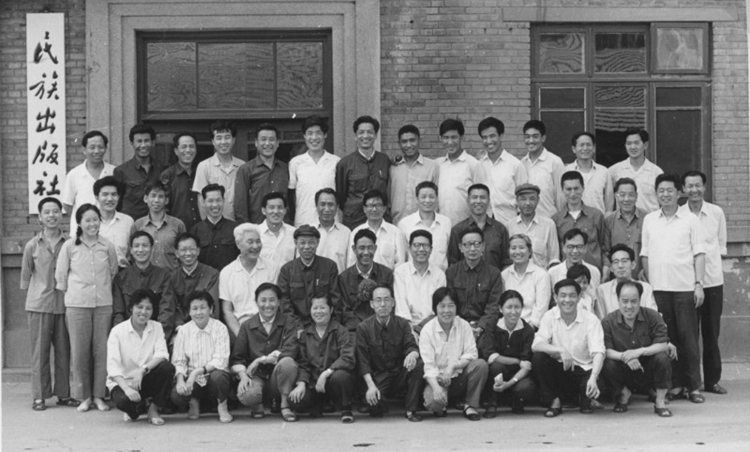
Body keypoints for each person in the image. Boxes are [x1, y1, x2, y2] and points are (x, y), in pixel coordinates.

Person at [642, 173, 706, 403]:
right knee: (668, 340)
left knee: (689, 339)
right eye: (661, 190)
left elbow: (699, 254)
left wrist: (698, 285)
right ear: (656, 194)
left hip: (684, 288)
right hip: (659, 290)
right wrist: (651, 284)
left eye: (670, 190)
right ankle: (676, 385)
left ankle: (694, 387)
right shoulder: (650, 220)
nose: (665, 194)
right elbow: (645, 255)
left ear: (679, 193)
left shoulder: (690, 220)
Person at [55, 204, 118, 412]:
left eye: (95, 219)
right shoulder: (69, 246)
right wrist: (75, 295)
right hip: (77, 305)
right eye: (87, 220)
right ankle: (83, 396)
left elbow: (113, 273)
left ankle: (99, 395)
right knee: (79, 352)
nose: (92, 224)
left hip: (103, 305)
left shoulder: (107, 246)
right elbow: (61, 276)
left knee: (102, 351)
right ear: (79, 223)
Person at [21, 197, 74, 411]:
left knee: (64, 352)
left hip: (64, 303)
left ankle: (63, 394)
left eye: (55, 211)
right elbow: (26, 277)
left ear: (61, 215)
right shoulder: (32, 245)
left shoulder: (70, 243)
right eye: (47, 212)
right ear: (40, 218)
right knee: (39, 352)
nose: (51, 215)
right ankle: (39, 396)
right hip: (39, 304)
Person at [680, 170, 728, 395]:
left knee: (711, 333)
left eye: (698, 185)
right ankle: (689, 382)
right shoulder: (679, 215)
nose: (694, 190)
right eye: (689, 186)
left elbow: (721, 246)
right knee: (688, 335)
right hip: (686, 282)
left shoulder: (716, 213)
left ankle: (712, 381)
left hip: (712, 281)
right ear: (683, 189)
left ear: (705, 187)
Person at [532, 279, 605, 417]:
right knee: (538, 358)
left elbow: (598, 352)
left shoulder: (591, 319)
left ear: (579, 297)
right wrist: (560, 350)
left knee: (586, 406)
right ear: (555, 297)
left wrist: (594, 377)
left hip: (584, 370)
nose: (567, 300)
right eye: (563, 295)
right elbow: (536, 344)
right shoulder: (549, 316)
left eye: (572, 295)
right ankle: (555, 403)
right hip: (561, 369)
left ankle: (582, 399)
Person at [601, 281, 673, 417]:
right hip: (623, 371)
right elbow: (605, 350)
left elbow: (663, 344)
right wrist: (625, 357)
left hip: (646, 370)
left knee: (662, 357)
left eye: (634, 301)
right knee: (606, 362)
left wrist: (638, 352)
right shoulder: (608, 321)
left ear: (640, 300)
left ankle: (660, 401)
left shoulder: (652, 316)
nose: (629, 306)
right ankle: (624, 394)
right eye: (625, 301)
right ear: (618, 300)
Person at [231, 283, 299, 422]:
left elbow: (290, 349)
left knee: (288, 362)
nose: (267, 305)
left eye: (272, 300)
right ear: (256, 302)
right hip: (256, 376)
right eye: (263, 300)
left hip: (279, 376)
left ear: (279, 302)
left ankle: (285, 404)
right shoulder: (246, 325)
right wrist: (243, 376)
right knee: (247, 395)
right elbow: (237, 358)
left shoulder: (289, 322)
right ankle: (257, 403)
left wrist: (261, 359)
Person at [356, 285, 425, 421]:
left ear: (393, 303)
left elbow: (411, 345)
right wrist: (371, 386)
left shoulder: (402, 324)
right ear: (371, 304)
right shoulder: (363, 328)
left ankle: (411, 410)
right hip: (378, 378)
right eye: (378, 300)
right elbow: (362, 362)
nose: (382, 304)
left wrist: (412, 354)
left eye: (386, 299)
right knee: (374, 406)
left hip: (399, 374)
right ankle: (377, 401)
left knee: (418, 364)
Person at [107, 289, 175, 425]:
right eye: (139, 307)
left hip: (144, 379)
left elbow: (162, 354)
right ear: (131, 308)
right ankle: (136, 408)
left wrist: (142, 370)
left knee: (167, 368)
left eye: (148, 308)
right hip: (124, 383)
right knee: (124, 402)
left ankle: (153, 410)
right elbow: (113, 367)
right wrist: (127, 389)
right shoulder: (117, 331)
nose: (143, 312)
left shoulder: (156, 327)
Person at [420, 287, 488, 420]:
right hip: (438, 379)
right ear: (435, 308)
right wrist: (436, 388)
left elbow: (472, 353)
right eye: (442, 306)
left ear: (457, 307)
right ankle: (443, 403)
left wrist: (453, 366)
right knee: (433, 403)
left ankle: (470, 405)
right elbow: (428, 366)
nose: (447, 310)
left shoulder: (464, 326)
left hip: (460, 377)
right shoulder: (427, 330)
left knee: (480, 365)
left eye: (451, 306)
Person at [289, 296, 356, 423]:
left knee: (342, 376)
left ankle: (346, 408)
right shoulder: (305, 335)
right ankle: (319, 404)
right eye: (315, 308)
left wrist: (326, 373)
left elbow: (347, 357)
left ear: (331, 310)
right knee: (294, 401)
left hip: (333, 381)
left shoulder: (341, 331)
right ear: (310, 311)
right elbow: (303, 363)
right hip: (314, 383)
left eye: (322, 308)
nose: (318, 311)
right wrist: (301, 384)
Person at [171, 291, 233, 423]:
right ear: (189, 311)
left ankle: (222, 406)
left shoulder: (220, 328)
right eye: (194, 308)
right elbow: (179, 361)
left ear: (211, 309)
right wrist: (180, 380)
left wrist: (197, 372)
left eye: (203, 307)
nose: (198, 312)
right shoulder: (183, 331)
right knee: (177, 394)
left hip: (213, 376)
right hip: (192, 380)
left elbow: (221, 360)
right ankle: (194, 402)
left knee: (219, 377)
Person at [477, 290, 537, 417]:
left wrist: (510, 382)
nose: (513, 312)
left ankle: (515, 398)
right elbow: (491, 356)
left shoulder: (527, 331)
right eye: (509, 307)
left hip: (517, 374)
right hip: (497, 370)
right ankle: (492, 403)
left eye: (517, 307)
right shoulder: (492, 324)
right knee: (497, 366)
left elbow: (526, 365)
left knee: (526, 387)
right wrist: (516, 361)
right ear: (500, 309)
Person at [219, 223, 280, 341]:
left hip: (269, 327)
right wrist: (241, 336)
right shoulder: (227, 273)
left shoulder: (272, 268)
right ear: (238, 244)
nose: (255, 246)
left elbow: (277, 303)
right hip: (241, 328)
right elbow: (227, 310)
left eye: (258, 241)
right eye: (250, 242)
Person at [112, 231, 176, 341]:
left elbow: (167, 311)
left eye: (145, 245)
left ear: (152, 249)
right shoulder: (121, 277)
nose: (140, 250)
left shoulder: (163, 276)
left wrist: (157, 338)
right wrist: (124, 338)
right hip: (128, 336)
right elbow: (118, 312)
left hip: (156, 336)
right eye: (136, 246)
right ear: (131, 250)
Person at [278, 225, 340, 329]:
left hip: (325, 326)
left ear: (317, 243)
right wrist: (297, 327)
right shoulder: (286, 270)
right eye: (302, 243)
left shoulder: (330, 267)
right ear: (295, 243)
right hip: (296, 327)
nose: (306, 247)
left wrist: (330, 327)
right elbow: (284, 304)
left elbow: (336, 300)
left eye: (311, 242)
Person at [336, 115, 391, 229]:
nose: (365, 136)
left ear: (376, 135)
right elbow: (341, 196)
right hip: (354, 221)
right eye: (361, 132)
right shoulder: (345, 163)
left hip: (380, 221)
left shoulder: (384, 160)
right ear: (355, 136)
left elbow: (388, 190)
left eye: (370, 132)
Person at [337, 229, 394, 333]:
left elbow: (390, 306)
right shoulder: (344, 278)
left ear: (375, 248)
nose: (366, 252)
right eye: (362, 248)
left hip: (382, 329)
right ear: (354, 249)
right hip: (354, 331)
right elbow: (345, 311)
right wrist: (363, 329)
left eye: (370, 248)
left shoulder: (387, 274)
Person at [446, 227, 503, 327]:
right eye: (467, 244)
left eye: (476, 244)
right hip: (457, 325)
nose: (472, 249)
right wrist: (462, 327)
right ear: (460, 247)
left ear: (483, 246)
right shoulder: (451, 272)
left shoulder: (494, 274)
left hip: (485, 327)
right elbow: (450, 304)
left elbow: (493, 308)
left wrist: (480, 327)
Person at [288, 116, 340, 226]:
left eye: (318, 133)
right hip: (303, 222)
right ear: (304, 136)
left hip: (330, 223)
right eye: (310, 133)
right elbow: (291, 196)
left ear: (325, 135)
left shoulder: (336, 162)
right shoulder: (295, 163)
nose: (314, 137)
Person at [476, 117, 528, 225]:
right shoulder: (478, 165)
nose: (488, 141)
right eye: (484, 137)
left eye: (492, 136)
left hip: (509, 222)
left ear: (501, 136)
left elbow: (523, 198)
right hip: (484, 223)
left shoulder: (515, 165)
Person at [234, 123, 290, 224]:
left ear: (277, 143)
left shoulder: (285, 168)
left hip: (282, 228)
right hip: (256, 228)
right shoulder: (246, 170)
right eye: (263, 139)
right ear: (256, 142)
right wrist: (248, 229)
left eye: (271, 139)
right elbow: (240, 205)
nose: (267, 143)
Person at [448, 183, 511, 271]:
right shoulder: (458, 230)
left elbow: (506, 262)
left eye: (482, 197)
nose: (478, 201)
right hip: (465, 279)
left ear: (489, 201)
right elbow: (453, 263)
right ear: (468, 201)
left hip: (494, 279)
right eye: (474, 197)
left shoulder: (500, 229)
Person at [551, 170, 605, 272]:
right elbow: (555, 251)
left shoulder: (596, 215)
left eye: (576, 188)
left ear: (583, 188)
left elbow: (604, 245)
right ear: (562, 190)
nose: (573, 193)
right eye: (568, 189)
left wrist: (606, 267)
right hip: (566, 273)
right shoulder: (556, 219)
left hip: (593, 272)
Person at [62, 130, 115, 233]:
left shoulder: (114, 172)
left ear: (106, 149)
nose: (97, 151)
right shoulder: (74, 174)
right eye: (92, 147)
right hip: (82, 233)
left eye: (100, 147)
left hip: (108, 231)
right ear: (84, 150)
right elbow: (67, 205)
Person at [394, 230, 447, 329]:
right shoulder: (400, 272)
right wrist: (410, 331)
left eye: (425, 245)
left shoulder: (439, 275)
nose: (421, 249)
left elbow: (439, 307)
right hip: (406, 327)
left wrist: (421, 329)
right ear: (409, 249)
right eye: (417, 245)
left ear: (431, 249)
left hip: (433, 326)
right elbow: (402, 308)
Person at [192, 121, 244, 221]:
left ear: (233, 140)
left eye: (227, 137)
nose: (223, 142)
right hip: (214, 224)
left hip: (239, 224)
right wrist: (208, 226)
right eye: (219, 138)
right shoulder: (204, 166)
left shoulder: (243, 166)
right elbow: (201, 201)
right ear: (213, 141)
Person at [130, 180, 186, 272]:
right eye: (153, 196)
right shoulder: (137, 225)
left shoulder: (178, 225)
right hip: (145, 277)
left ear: (166, 200)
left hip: (171, 276)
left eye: (161, 196)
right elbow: (133, 254)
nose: (156, 200)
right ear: (145, 198)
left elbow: (183, 252)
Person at [114, 124, 167, 220]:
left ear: (153, 142)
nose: (143, 145)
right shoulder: (121, 171)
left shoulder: (163, 169)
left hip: (157, 223)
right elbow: (117, 202)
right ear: (132, 143)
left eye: (146, 141)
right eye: (139, 141)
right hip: (131, 223)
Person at [389, 124, 439, 226]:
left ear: (420, 140)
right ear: (399, 144)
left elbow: (437, 198)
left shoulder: (432, 166)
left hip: (424, 224)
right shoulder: (393, 167)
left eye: (412, 140)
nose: (408, 145)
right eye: (404, 141)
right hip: (397, 223)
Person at [347, 189, 406, 270]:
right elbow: (351, 262)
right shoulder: (356, 232)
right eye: (370, 205)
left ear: (384, 208)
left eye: (378, 205)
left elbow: (400, 264)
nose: (374, 209)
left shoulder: (395, 232)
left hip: (388, 277)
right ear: (364, 209)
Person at [398, 181, 451, 271]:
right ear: (416, 199)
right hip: (413, 276)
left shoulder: (446, 222)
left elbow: (449, 253)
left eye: (431, 197)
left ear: (437, 198)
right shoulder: (405, 224)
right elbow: (402, 257)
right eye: (423, 197)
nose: (427, 200)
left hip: (441, 276)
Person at [608, 128, 664, 213]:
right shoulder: (614, 170)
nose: (633, 147)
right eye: (629, 143)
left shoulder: (656, 172)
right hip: (624, 220)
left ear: (645, 145)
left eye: (636, 143)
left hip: (649, 220)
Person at [436, 118, 480, 226]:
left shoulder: (473, 164)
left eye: (454, 137)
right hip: (441, 227)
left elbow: (482, 197)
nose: (450, 142)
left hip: (466, 228)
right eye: (446, 138)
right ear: (441, 139)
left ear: (462, 138)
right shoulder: (438, 165)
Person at [501, 234, 550, 329]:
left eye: (521, 247)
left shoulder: (541, 275)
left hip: (532, 328)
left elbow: (541, 306)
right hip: (507, 327)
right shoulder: (504, 275)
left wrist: (529, 329)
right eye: (513, 248)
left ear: (530, 251)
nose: (517, 252)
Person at [595, 244, 657, 319]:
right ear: (611, 268)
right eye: (616, 262)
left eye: (624, 261)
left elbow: (653, 317)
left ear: (633, 265)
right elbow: (600, 319)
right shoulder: (602, 290)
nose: (620, 266)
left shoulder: (646, 288)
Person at [171, 233, 219, 328]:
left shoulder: (212, 274)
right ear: (176, 253)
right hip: (179, 328)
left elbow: (212, 308)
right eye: (183, 250)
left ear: (198, 251)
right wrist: (180, 326)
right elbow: (171, 308)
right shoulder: (172, 277)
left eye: (192, 249)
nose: (188, 253)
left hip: (205, 326)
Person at [507, 183, 559, 269]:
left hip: (542, 276)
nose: (528, 203)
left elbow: (554, 259)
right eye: (523, 199)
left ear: (538, 200)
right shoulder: (510, 225)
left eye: (532, 199)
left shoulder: (549, 225)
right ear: (517, 200)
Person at [602, 177, 646, 280]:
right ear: (616, 196)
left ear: (636, 196)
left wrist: (646, 269)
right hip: (616, 278)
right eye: (622, 195)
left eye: (631, 195)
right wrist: (606, 272)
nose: (626, 199)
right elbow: (605, 251)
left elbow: (653, 250)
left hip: (642, 278)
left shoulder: (647, 218)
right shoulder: (609, 221)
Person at [520, 120, 565, 219]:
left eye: (535, 136)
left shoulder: (555, 162)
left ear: (543, 138)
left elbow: (561, 196)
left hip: (550, 220)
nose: (531, 141)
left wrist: (560, 220)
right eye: (527, 137)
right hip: (527, 221)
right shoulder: (521, 164)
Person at [190, 183, 239, 271]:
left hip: (229, 277)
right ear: (203, 202)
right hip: (204, 278)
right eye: (210, 201)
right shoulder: (196, 230)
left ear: (223, 201)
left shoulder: (235, 229)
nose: (215, 205)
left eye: (218, 200)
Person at [160, 131, 201, 231]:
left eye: (191, 146)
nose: (188, 150)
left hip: (200, 229)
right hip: (176, 230)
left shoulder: (201, 172)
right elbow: (163, 206)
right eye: (183, 147)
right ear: (176, 151)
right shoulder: (168, 175)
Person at [564, 132, 614, 214]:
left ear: (594, 148)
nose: (585, 148)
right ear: (574, 149)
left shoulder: (604, 172)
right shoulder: (566, 171)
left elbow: (609, 202)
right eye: (581, 145)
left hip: (598, 220)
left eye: (588, 145)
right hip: (573, 219)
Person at [94, 176, 134, 268]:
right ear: (97, 197)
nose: (110, 199)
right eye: (105, 194)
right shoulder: (91, 222)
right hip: (98, 272)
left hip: (123, 272)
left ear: (118, 197)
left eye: (114, 194)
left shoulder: (128, 222)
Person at [547, 228, 601, 294]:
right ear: (564, 248)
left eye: (579, 246)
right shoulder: (552, 273)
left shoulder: (594, 272)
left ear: (585, 248)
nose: (575, 251)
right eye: (570, 246)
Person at [313, 188, 351, 273]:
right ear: (316, 206)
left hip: (339, 280)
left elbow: (350, 263)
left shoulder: (346, 233)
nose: (326, 209)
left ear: (337, 207)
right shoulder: (308, 231)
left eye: (331, 205)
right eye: (322, 204)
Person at [258, 192, 297, 265]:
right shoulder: (256, 233)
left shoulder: (294, 233)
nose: (276, 211)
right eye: (271, 207)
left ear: (285, 210)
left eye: (280, 207)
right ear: (263, 210)